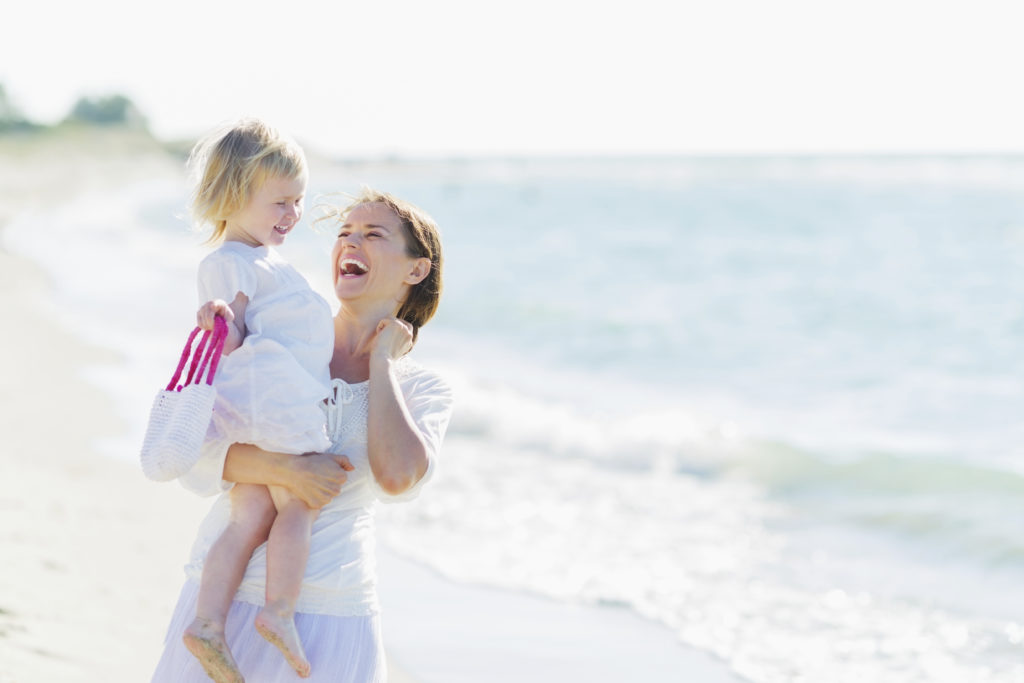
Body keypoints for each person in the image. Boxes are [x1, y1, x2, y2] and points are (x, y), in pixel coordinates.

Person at [151, 187, 452, 683]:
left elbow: (397, 479)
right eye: (345, 233)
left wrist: (382, 364)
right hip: (221, 605)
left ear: (415, 270)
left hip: (332, 613)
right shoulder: (280, 335)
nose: (350, 244)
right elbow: (196, 453)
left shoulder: (423, 388)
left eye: (372, 235)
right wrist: (287, 470)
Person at [178, 118, 336, 680]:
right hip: (273, 399)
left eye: (298, 202)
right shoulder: (229, 263)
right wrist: (222, 326)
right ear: (233, 195)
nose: (292, 215)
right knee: (297, 502)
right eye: (281, 203)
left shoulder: (262, 260)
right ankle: (279, 610)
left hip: (266, 400)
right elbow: (233, 338)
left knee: (250, 514)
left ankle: (208, 624)